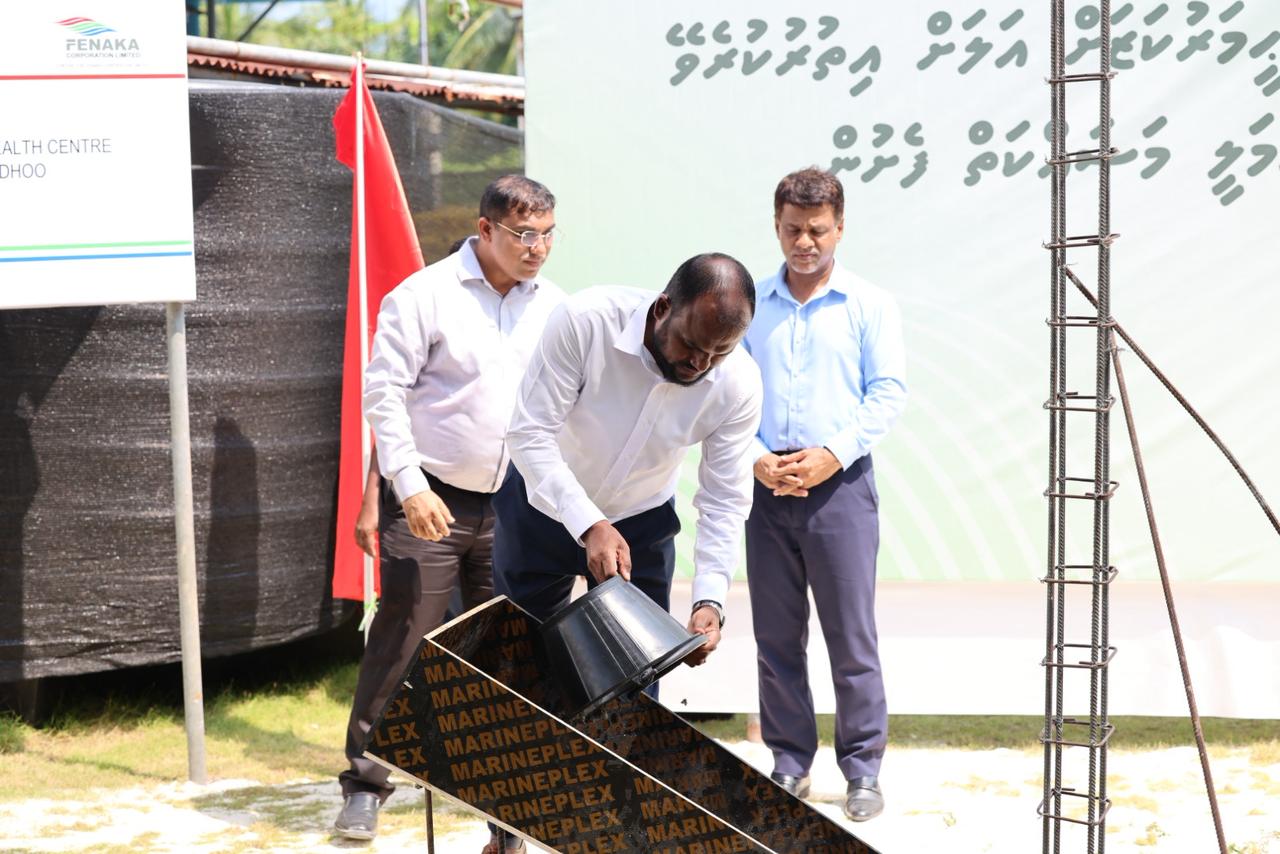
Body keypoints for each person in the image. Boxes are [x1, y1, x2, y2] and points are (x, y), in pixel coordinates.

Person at [333, 176, 564, 844]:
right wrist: (407, 486)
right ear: (485, 230)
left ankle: (504, 813)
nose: (538, 248)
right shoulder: (424, 295)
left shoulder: (556, 307)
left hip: (518, 507)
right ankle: (365, 785)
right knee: (404, 638)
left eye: (548, 234)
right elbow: (384, 393)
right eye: (524, 234)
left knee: (508, 653)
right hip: (428, 499)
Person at [493, 253, 763, 674]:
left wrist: (709, 600)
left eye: (719, 353)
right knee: (517, 669)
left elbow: (724, 499)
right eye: (691, 345)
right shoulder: (586, 320)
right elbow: (530, 433)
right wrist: (590, 524)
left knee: (635, 678)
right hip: (539, 509)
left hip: (641, 523)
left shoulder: (740, 384)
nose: (700, 364)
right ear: (662, 308)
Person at [742, 167, 907, 822]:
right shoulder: (751, 303)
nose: (803, 243)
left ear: (840, 227)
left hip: (841, 487)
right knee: (776, 636)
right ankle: (789, 763)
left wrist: (831, 455)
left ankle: (863, 769)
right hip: (766, 488)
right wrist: (757, 458)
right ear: (776, 226)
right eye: (791, 229)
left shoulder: (869, 304)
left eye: (816, 230)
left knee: (851, 637)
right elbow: (727, 391)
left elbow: (887, 393)